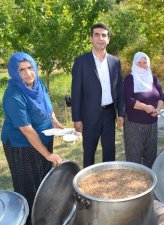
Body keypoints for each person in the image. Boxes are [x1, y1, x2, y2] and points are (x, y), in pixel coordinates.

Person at [1, 52, 62, 224]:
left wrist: (55, 122)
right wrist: (47, 154)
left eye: (30, 68)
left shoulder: (38, 84)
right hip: (20, 146)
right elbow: (27, 131)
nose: (28, 73)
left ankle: (43, 215)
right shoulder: (13, 95)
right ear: (14, 72)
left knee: (43, 179)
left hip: (45, 138)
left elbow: (46, 104)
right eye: (21, 70)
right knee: (27, 186)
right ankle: (29, 219)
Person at [71, 23, 124, 167]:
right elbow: (76, 92)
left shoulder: (115, 62)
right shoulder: (81, 61)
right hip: (89, 116)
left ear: (108, 39)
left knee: (109, 153)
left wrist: (121, 114)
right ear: (91, 38)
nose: (101, 38)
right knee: (89, 154)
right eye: (97, 35)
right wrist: (76, 118)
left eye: (104, 35)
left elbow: (120, 89)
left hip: (109, 115)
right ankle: (86, 187)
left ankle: (109, 182)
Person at [123, 52, 164, 168]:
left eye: (145, 62)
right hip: (134, 125)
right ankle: (134, 184)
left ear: (148, 64)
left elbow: (161, 96)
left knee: (150, 157)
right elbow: (128, 99)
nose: (142, 65)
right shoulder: (130, 79)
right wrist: (145, 107)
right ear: (134, 64)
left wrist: (158, 109)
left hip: (152, 125)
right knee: (134, 158)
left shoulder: (153, 79)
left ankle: (149, 181)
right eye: (139, 62)